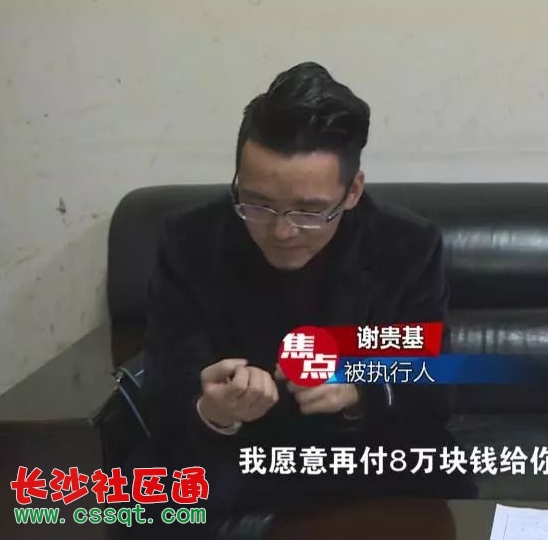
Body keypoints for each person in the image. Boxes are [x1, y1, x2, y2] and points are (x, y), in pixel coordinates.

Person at [122, 62, 476, 539]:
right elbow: (166, 385)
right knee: (142, 496)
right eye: (258, 204)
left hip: (361, 453)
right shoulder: (191, 241)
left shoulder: (405, 245)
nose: (282, 231)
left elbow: (433, 388)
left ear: (352, 192)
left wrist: (358, 392)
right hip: (238, 454)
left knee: (438, 473)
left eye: (310, 211)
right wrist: (214, 410)